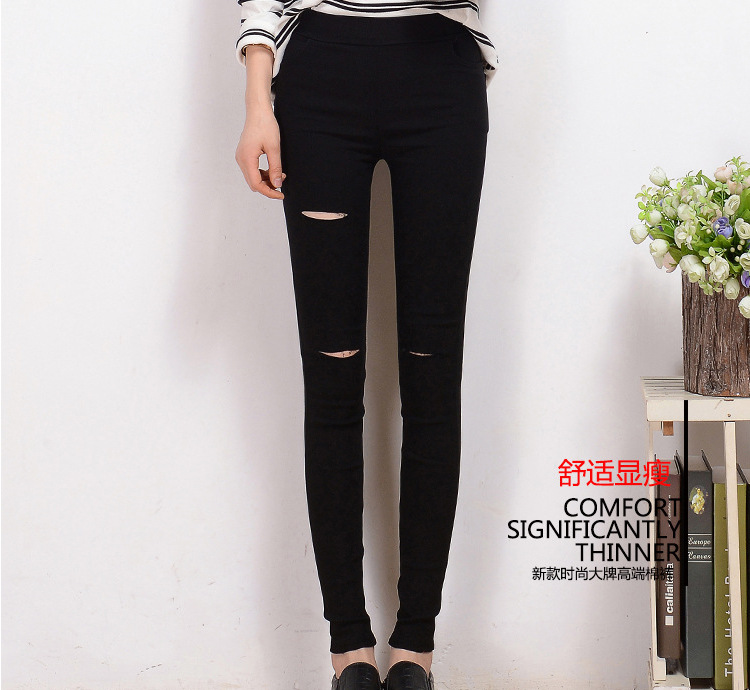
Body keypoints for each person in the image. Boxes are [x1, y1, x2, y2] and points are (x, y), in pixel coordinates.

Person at [234, 3, 498, 690]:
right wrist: (258, 101)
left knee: (433, 372)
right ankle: (348, 648)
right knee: (331, 376)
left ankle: (416, 649)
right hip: (320, 78)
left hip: (441, 73)